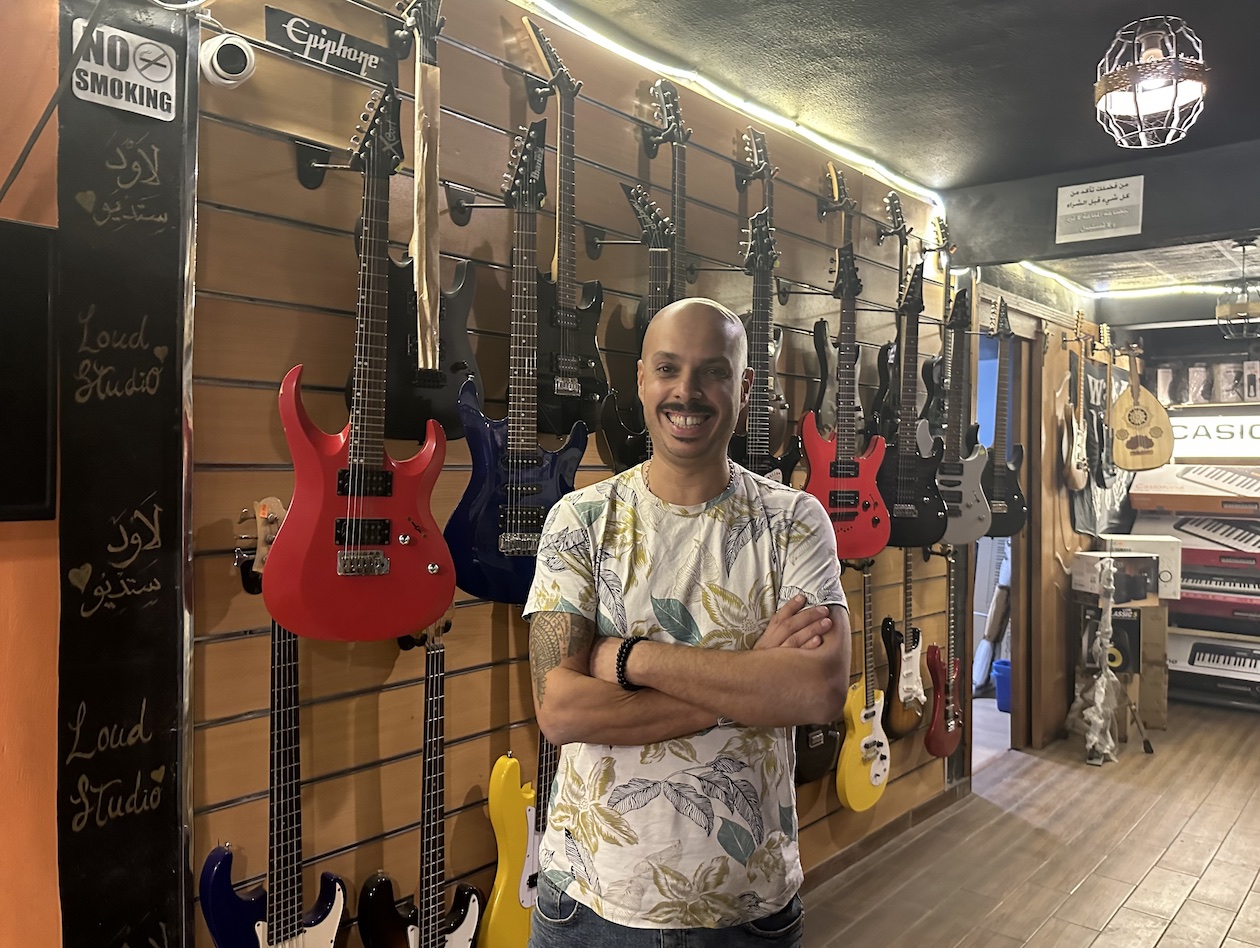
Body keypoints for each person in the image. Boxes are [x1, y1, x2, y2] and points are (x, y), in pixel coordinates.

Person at [523, 297, 851, 947]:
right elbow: (559, 709)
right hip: (590, 906)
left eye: (713, 372)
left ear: (745, 385)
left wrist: (628, 660)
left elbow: (817, 691)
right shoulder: (579, 522)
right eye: (669, 369)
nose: (688, 392)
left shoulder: (796, 522)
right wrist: (754, 677)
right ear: (641, 379)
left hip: (746, 908)